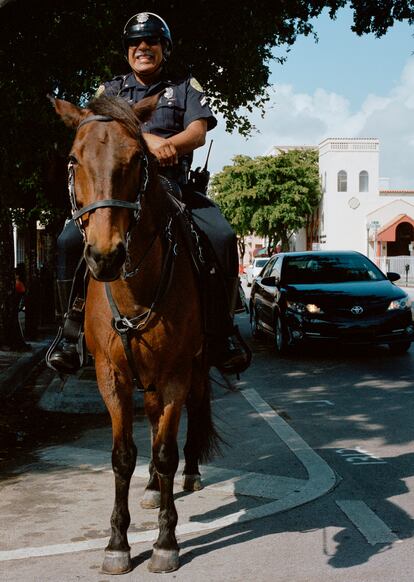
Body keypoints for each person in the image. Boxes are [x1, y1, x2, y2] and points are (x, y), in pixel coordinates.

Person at [47, 12, 250, 376]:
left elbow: (198, 132)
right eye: (134, 43)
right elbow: (93, 134)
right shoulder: (108, 91)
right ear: (127, 52)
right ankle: (70, 330)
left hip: (171, 185)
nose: (143, 48)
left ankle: (224, 331)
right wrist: (147, 141)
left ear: (163, 48)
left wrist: (169, 146)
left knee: (221, 236)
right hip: (119, 186)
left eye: (151, 42)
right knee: (66, 241)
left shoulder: (185, 86)